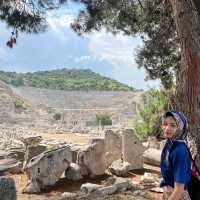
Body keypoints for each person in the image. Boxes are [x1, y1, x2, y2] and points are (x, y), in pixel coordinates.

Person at [160, 111, 191, 200]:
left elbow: (178, 190)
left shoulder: (179, 151)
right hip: (169, 194)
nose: (167, 128)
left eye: (173, 125)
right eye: (165, 124)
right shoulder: (169, 144)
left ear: (181, 128)